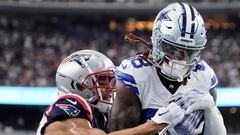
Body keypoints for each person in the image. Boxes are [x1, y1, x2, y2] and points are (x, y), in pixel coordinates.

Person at [109, 3, 226, 135]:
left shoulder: (204, 76)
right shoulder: (136, 75)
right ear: (157, 40)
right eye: (171, 49)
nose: (179, 59)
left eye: (189, 52)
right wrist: (154, 127)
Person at [36, 49, 185, 135]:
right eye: (101, 81)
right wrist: (152, 125)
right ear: (77, 85)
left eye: (111, 80)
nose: (110, 87)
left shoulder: (101, 116)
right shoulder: (70, 102)